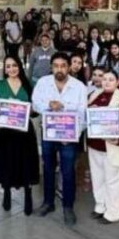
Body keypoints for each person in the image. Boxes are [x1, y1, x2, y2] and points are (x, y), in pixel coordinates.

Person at [31, 52, 88, 224]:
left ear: (69, 67)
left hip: (69, 137)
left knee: (68, 171)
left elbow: (83, 115)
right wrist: (48, 105)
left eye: (63, 66)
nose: (59, 69)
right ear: (51, 67)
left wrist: (72, 135)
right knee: (48, 168)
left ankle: (68, 206)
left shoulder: (79, 87)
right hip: (48, 134)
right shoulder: (43, 82)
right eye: (56, 66)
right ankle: (48, 203)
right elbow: (35, 103)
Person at [0, 55, 39, 215]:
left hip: (24, 132)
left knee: (26, 163)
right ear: (4, 69)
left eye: (14, 65)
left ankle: (28, 195)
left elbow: (35, 110)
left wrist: (31, 109)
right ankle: (7, 193)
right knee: (7, 163)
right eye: (8, 66)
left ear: (20, 66)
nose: (11, 69)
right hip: (4, 131)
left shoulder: (28, 84)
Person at [86, 70, 119, 224]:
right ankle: (100, 206)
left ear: (117, 82)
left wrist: (118, 140)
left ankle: (112, 213)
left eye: (111, 79)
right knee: (98, 178)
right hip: (95, 145)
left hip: (113, 147)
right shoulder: (94, 95)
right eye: (104, 79)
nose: (107, 82)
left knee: (113, 182)